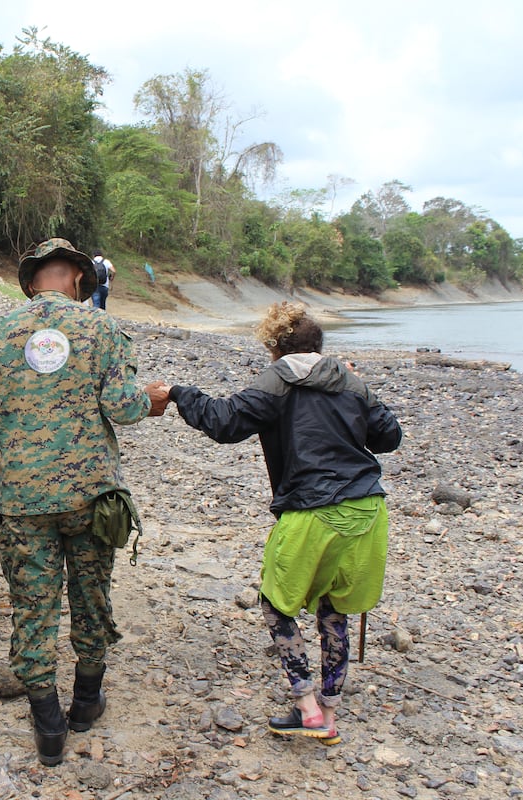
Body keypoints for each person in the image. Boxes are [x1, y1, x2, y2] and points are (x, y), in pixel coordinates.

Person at [0, 238, 168, 766]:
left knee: (33, 605)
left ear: (29, 284)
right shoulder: (103, 328)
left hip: (22, 501)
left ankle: (48, 723)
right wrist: (153, 399)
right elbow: (124, 405)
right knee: (91, 596)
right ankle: (86, 702)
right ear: (79, 280)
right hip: (92, 497)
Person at [146, 302, 402, 746]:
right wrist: (356, 394)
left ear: (274, 347)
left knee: (276, 604)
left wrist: (177, 392)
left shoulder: (279, 377)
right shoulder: (349, 381)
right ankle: (329, 710)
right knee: (333, 607)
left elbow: (225, 422)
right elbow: (388, 436)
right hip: (368, 509)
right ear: (319, 346)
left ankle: (306, 708)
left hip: (312, 510)